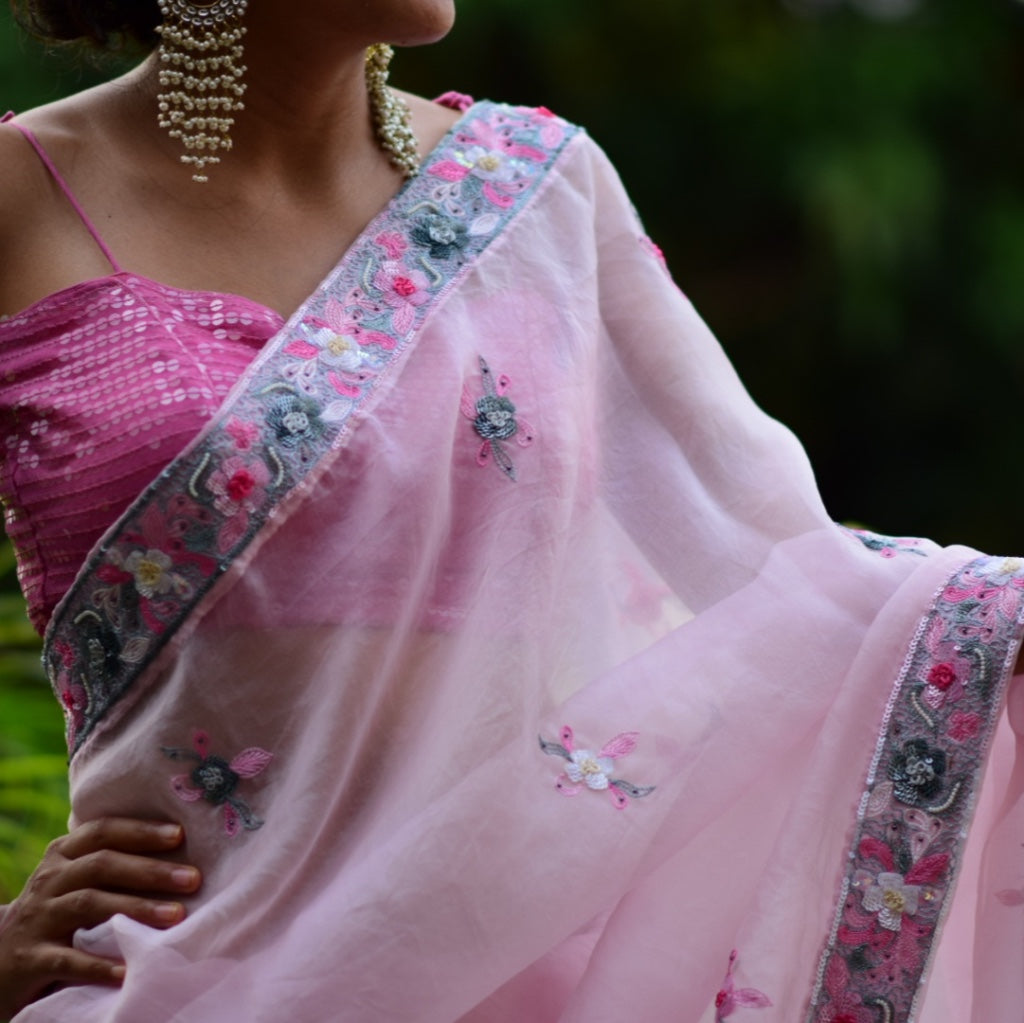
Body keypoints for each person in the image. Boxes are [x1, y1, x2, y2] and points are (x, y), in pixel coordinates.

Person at [1, 2, 1023, 1020]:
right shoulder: (20, 196)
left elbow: (768, 551)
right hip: (170, 976)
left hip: (532, 965)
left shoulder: (536, 190)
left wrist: (996, 625)